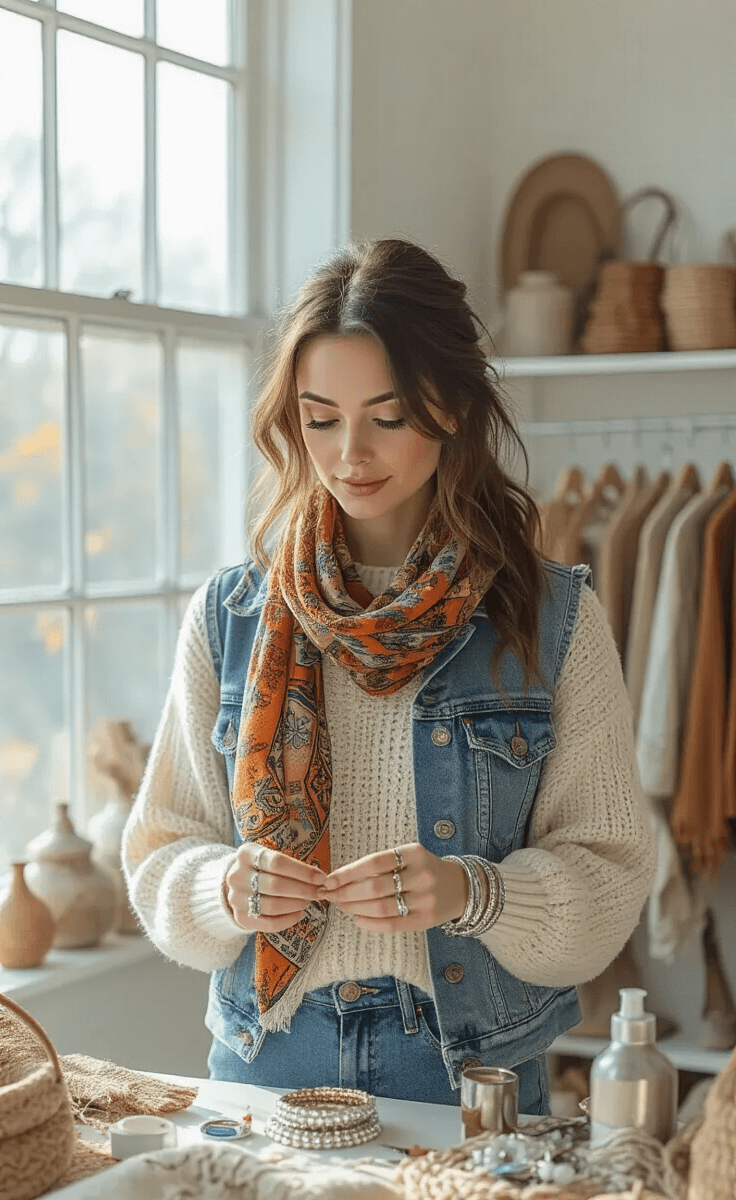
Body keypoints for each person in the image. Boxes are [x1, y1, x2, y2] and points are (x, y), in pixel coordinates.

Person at [122, 237, 655, 1114]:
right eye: (320, 417)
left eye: (388, 415)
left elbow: (608, 879)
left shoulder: (551, 620)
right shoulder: (231, 616)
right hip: (269, 1062)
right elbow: (158, 855)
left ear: (451, 406)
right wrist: (224, 887)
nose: (349, 454)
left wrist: (471, 892)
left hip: (466, 1072)